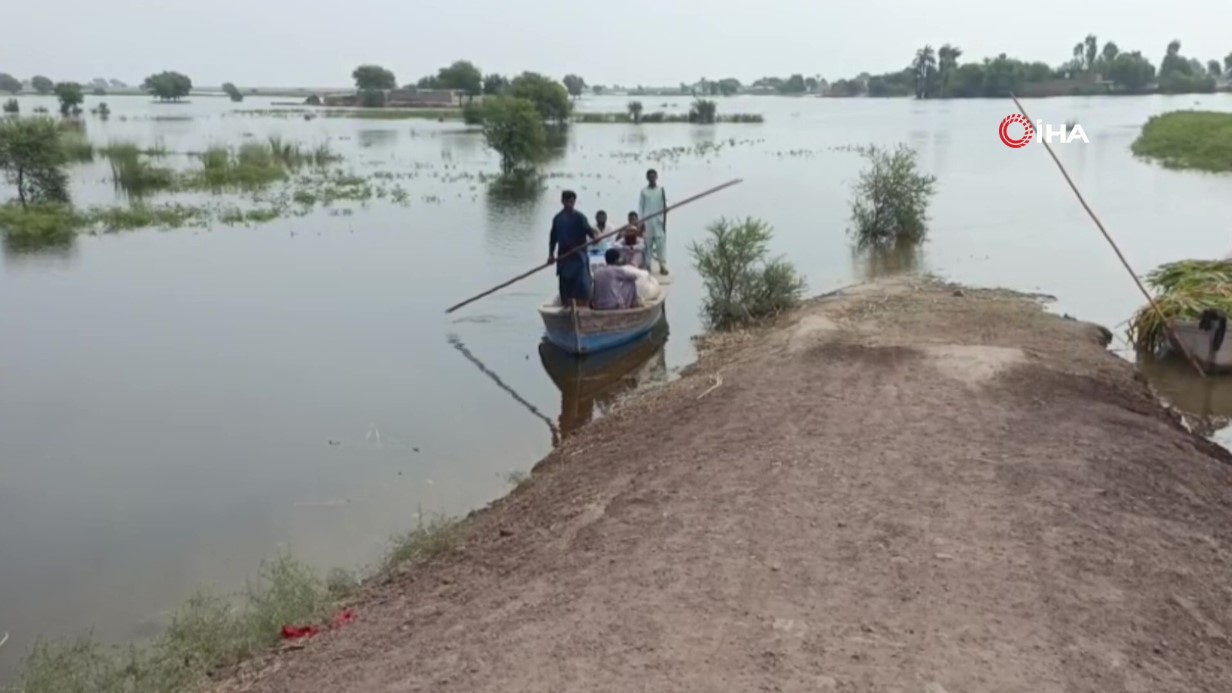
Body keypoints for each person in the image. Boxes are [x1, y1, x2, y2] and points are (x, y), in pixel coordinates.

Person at [548, 190, 596, 309]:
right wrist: (550, 255)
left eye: (572, 201)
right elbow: (553, 238)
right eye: (567, 201)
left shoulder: (580, 217)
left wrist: (595, 238)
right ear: (562, 201)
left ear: (574, 202)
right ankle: (567, 307)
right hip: (564, 258)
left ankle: (583, 306)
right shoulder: (558, 219)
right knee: (565, 286)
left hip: (579, 257)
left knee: (583, 285)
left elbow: (589, 231)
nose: (570, 204)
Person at [638, 169, 668, 274]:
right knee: (648, 245)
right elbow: (641, 207)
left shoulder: (661, 190)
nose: (652, 178)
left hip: (659, 221)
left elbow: (664, 206)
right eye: (650, 176)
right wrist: (641, 222)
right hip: (647, 221)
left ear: (656, 177)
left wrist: (664, 218)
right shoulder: (644, 191)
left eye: (653, 176)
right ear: (647, 178)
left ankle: (662, 265)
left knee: (660, 245)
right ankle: (647, 265)